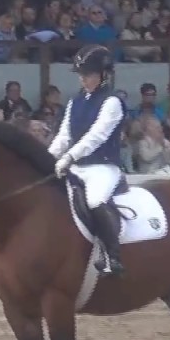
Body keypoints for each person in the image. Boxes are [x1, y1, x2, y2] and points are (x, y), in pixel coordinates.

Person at [49, 43, 127, 276]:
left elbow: (97, 136)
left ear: (103, 75)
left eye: (89, 74)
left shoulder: (112, 102)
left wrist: (69, 156)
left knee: (95, 201)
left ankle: (113, 257)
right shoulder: (75, 101)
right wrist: (46, 158)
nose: (83, 79)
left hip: (103, 167)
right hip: (77, 166)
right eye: (81, 75)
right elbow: (64, 135)